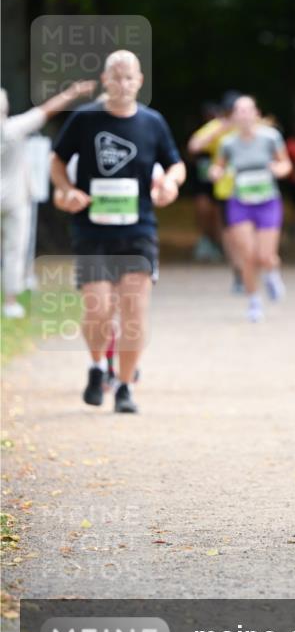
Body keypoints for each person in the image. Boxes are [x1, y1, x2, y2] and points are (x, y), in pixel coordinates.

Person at [51, 50, 186, 413]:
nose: (123, 84)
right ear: (105, 80)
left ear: (139, 81)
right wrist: (66, 190)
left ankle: (125, 386)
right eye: (116, 77)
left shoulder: (152, 122)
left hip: (138, 229)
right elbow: (57, 161)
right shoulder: (84, 119)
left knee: (134, 312)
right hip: (92, 230)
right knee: (99, 309)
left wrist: (170, 184)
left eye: (129, 78)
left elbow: (176, 165)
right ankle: (97, 366)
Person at [1, 80, 96, 318]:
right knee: (15, 248)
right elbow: (47, 110)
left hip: (14, 196)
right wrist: (73, 93)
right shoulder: (14, 128)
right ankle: (10, 301)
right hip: (16, 198)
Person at [210, 94, 291, 322]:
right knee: (247, 255)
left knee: (266, 256)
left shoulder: (270, 137)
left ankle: (271, 273)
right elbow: (217, 167)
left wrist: (279, 170)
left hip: (267, 202)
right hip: (240, 202)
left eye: (248, 110)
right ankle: (254, 301)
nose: (244, 115)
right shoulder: (228, 143)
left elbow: (285, 163)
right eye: (239, 111)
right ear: (234, 116)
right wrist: (216, 173)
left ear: (256, 114)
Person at [187, 90, 243, 289]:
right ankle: (238, 269)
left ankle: (250, 265)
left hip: (251, 189)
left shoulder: (253, 127)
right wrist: (221, 128)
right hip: (227, 189)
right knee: (230, 230)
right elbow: (194, 146)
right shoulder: (219, 127)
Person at [187, 102, 225, 263]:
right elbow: (190, 152)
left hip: (219, 181)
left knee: (217, 214)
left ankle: (218, 244)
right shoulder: (200, 133)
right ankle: (206, 240)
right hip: (202, 181)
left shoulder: (224, 132)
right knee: (203, 210)